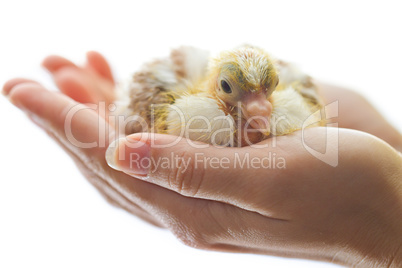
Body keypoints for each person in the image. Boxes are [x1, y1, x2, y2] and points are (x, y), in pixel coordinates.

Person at [3, 51, 402, 267]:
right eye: (232, 89)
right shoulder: (176, 111)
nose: (260, 108)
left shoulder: (297, 107)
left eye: (267, 92)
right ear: (217, 86)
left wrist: (388, 219)